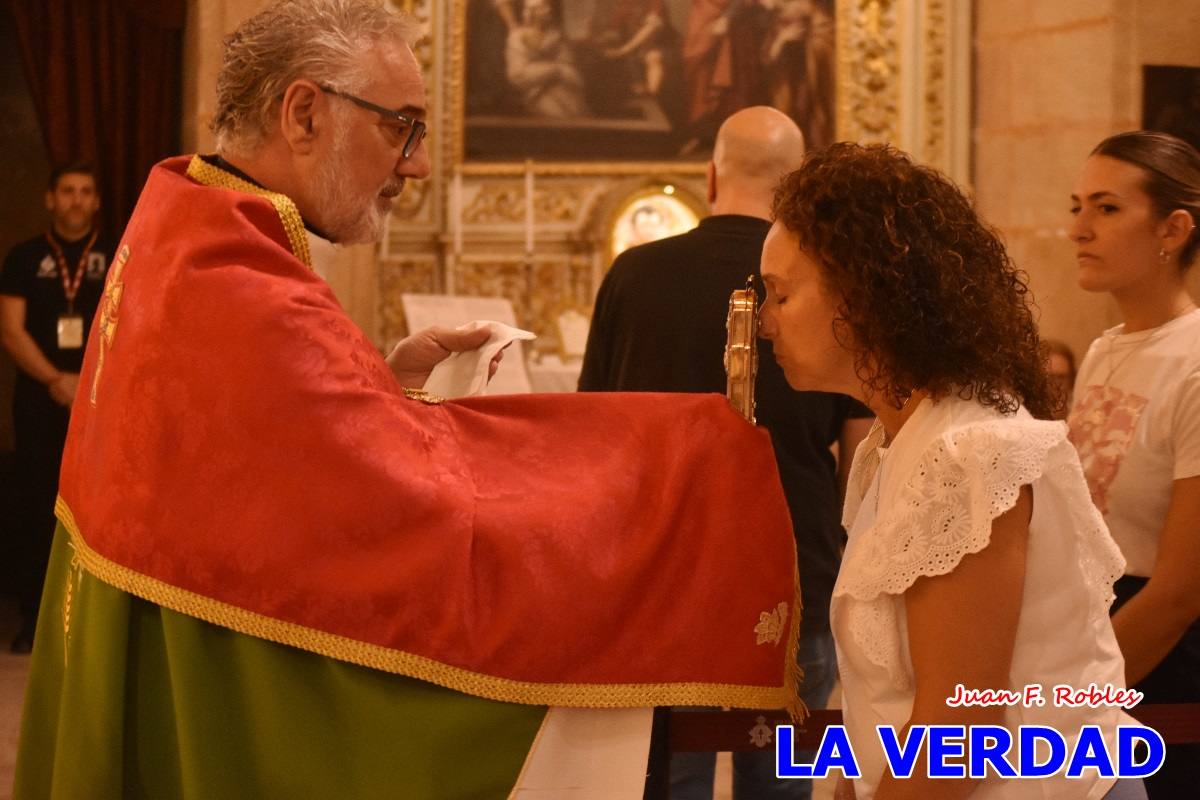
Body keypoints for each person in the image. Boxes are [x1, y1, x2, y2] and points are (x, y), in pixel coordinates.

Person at [13, 3, 804, 798]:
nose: (416, 164)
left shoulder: (188, 230)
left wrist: (380, 388)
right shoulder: (241, 287)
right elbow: (413, 517)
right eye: (401, 126)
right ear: (304, 113)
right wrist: (678, 465)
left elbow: (256, 482)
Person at [760, 142, 1141, 799]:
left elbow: (960, 736)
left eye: (780, 294)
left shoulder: (969, 454)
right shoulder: (902, 441)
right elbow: (888, 701)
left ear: (859, 295)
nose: (765, 323)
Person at [579, 107, 873, 800]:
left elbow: (594, 428)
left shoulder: (634, 274)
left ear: (710, 176)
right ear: (797, 183)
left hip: (660, 567)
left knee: (668, 771)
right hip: (793, 564)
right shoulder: (834, 282)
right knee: (777, 777)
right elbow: (864, 459)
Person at [1066, 130, 1200, 799]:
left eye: (1107, 209)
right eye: (1077, 206)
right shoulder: (1103, 349)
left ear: (1173, 229)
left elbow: (1181, 589)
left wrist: (1070, 695)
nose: (1079, 229)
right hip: (1094, 633)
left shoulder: (1196, 360)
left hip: (1163, 661)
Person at [0, 163, 112, 654]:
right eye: (67, 191)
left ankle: (91, 626)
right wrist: (55, 379)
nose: (76, 200)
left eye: (85, 192)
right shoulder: (24, 257)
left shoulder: (116, 256)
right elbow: (10, 329)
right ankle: (32, 619)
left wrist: (86, 382)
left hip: (103, 398)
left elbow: (133, 324)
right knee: (36, 504)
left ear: (97, 202)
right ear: (49, 199)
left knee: (98, 508)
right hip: (40, 399)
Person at [505, 0, 590, 118]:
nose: (547, 11)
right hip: (536, 96)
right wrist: (555, 70)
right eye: (542, 8)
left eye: (547, 6)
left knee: (575, 108)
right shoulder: (517, 38)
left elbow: (571, 71)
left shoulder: (557, 36)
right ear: (530, 12)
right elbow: (517, 75)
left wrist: (562, 72)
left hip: (565, 92)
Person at [1042, 338, 1077, 420]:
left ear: (1071, 380)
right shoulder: (1021, 415)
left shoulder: (1081, 415)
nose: (1055, 384)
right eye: (1048, 377)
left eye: (1060, 377)